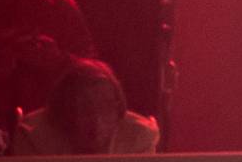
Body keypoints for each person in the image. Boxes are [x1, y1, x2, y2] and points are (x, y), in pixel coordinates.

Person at [12, 57, 160, 155]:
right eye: (84, 108)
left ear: (119, 107)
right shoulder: (33, 136)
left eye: (106, 106)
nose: (97, 120)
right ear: (63, 109)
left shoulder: (140, 137)